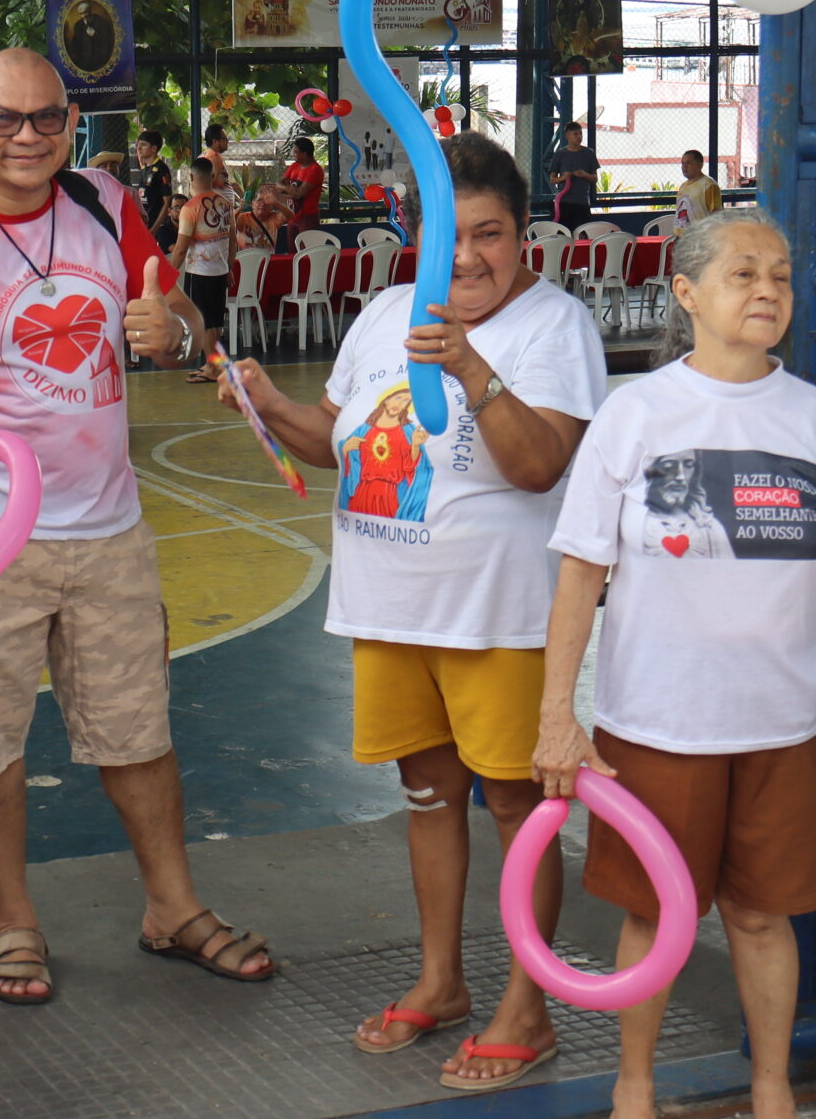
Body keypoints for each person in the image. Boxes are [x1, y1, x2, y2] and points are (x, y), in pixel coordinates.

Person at [0, 47, 268, 1005]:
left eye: (45, 118)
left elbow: (179, 321)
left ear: (70, 123)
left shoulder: (107, 206)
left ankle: (172, 907)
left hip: (110, 531)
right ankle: (13, 920)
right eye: (3, 119)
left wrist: (176, 335)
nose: (25, 137)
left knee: (140, 732)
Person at [218, 132, 608, 1092]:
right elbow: (336, 442)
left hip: (497, 616)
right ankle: (442, 981)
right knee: (429, 799)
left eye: (490, 234)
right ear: (417, 234)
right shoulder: (387, 310)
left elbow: (539, 466)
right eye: (448, 234)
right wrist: (266, 403)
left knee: (517, 809)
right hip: (391, 609)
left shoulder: (555, 327)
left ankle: (529, 1006)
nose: (467, 256)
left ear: (525, 233)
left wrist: (474, 370)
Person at [535, 209, 816, 1119]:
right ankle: (635, 1087)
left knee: (764, 916)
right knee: (655, 914)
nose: (768, 289)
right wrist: (556, 714)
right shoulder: (635, 413)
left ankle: (773, 1087)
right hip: (658, 718)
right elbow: (581, 570)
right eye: (743, 273)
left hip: (785, 720)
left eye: (781, 274)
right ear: (686, 293)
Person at [172, 159, 236, 383]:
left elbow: (180, 249)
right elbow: (232, 239)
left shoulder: (190, 208)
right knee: (215, 321)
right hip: (219, 270)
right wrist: (229, 267)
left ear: (191, 177)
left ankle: (212, 367)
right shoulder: (225, 203)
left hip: (200, 272)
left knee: (204, 322)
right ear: (212, 177)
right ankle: (213, 365)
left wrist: (167, 275)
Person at [549, 122, 600, 229]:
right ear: (567, 136)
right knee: (563, 233)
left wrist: (585, 175)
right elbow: (552, 179)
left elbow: (595, 178)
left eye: (580, 134)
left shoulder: (589, 153)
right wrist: (563, 178)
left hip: (582, 202)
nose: (579, 137)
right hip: (564, 202)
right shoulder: (560, 154)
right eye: (575, 134)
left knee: (581, 233)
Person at [136, 130, 178, 248]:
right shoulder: (144, 168)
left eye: (143, 145)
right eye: (138, 145)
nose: (139, 148)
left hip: (155, 227)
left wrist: (154, 230)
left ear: (154, 148)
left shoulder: (161, 169)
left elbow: (167, 202)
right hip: (144, 224)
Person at [283, 134, 328, 238]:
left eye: (296, 152)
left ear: (305, 153)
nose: (293, 155)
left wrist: (286, 189)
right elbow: (279, 183)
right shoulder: (294, 166)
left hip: (308, 216)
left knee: (306, 246)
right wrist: (289, 189)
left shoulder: (314, 169)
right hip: (292, 215)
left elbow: (300, 194)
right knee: (292, 247)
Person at [672, 151, 722, 228]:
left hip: (700, 234)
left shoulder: (708, 185)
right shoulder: (683, 186)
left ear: (700, 165)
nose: (684, 167)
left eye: (688, 163)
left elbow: (716, 214)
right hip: (682, 233)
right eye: (682, 163)